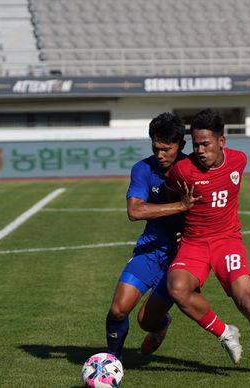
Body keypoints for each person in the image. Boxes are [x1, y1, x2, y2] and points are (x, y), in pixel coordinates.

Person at [165, 109, 250, 377]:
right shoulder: (181, 170)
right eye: (196, 145)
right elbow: (172, 197)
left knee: (247, 300)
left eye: (206, 144)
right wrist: (178, 226)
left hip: (228, 241)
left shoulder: (239, 160)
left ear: (221, 142)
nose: (200, 150)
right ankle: (225, 332)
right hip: (194, 243)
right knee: (177, 289)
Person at [105, 112, 206, 359]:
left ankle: (160, 326)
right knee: (118, 310)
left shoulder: (194, 170)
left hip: (181, 259)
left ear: (181, 145)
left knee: (146, 322)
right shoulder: (142, 169)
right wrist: (180, 207)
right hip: (150, 250)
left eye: (166, 149)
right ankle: (112, 362)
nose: (160, 155)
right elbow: (135, 210)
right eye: (155, 148)